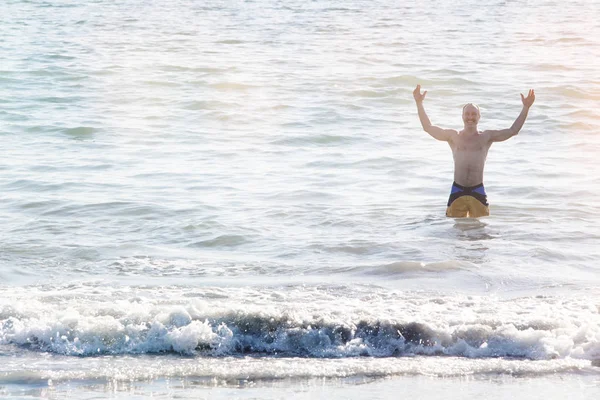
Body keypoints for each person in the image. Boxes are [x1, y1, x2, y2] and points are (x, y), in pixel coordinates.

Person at [413, 84, 535, 218]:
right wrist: (419, 103)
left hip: (478, 189)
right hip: (457, 189)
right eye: (467, 114)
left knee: (480, 233)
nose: (470, 117)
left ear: (479, 116)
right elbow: (428, 127)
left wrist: (526, 107)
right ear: (462, 116)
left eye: (473, 114)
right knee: (454, 233)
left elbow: (513, 130)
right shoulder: (453, 136)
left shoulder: (486, 137)